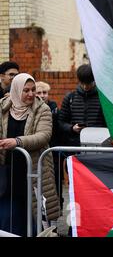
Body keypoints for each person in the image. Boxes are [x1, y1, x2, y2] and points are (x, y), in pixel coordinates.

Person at [0, 74, 59, 236]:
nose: (31, 94)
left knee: (35, 220)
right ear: (16, 90)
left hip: (33, 172)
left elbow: (43, 136)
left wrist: (17, 142)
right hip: (8, 173)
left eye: (33, 90)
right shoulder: (3, 107)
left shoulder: (43, 109)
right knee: (7, 220)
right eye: (25, 90)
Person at [58, 64, 106, 147]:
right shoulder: (70, 97)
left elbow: (108, 123)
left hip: (98, 143)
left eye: (88, 83)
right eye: (82, 83)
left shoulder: (103, 99)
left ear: (94, 81)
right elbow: (61, 122)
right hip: (74, 144)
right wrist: (72, 128)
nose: (85, 87)